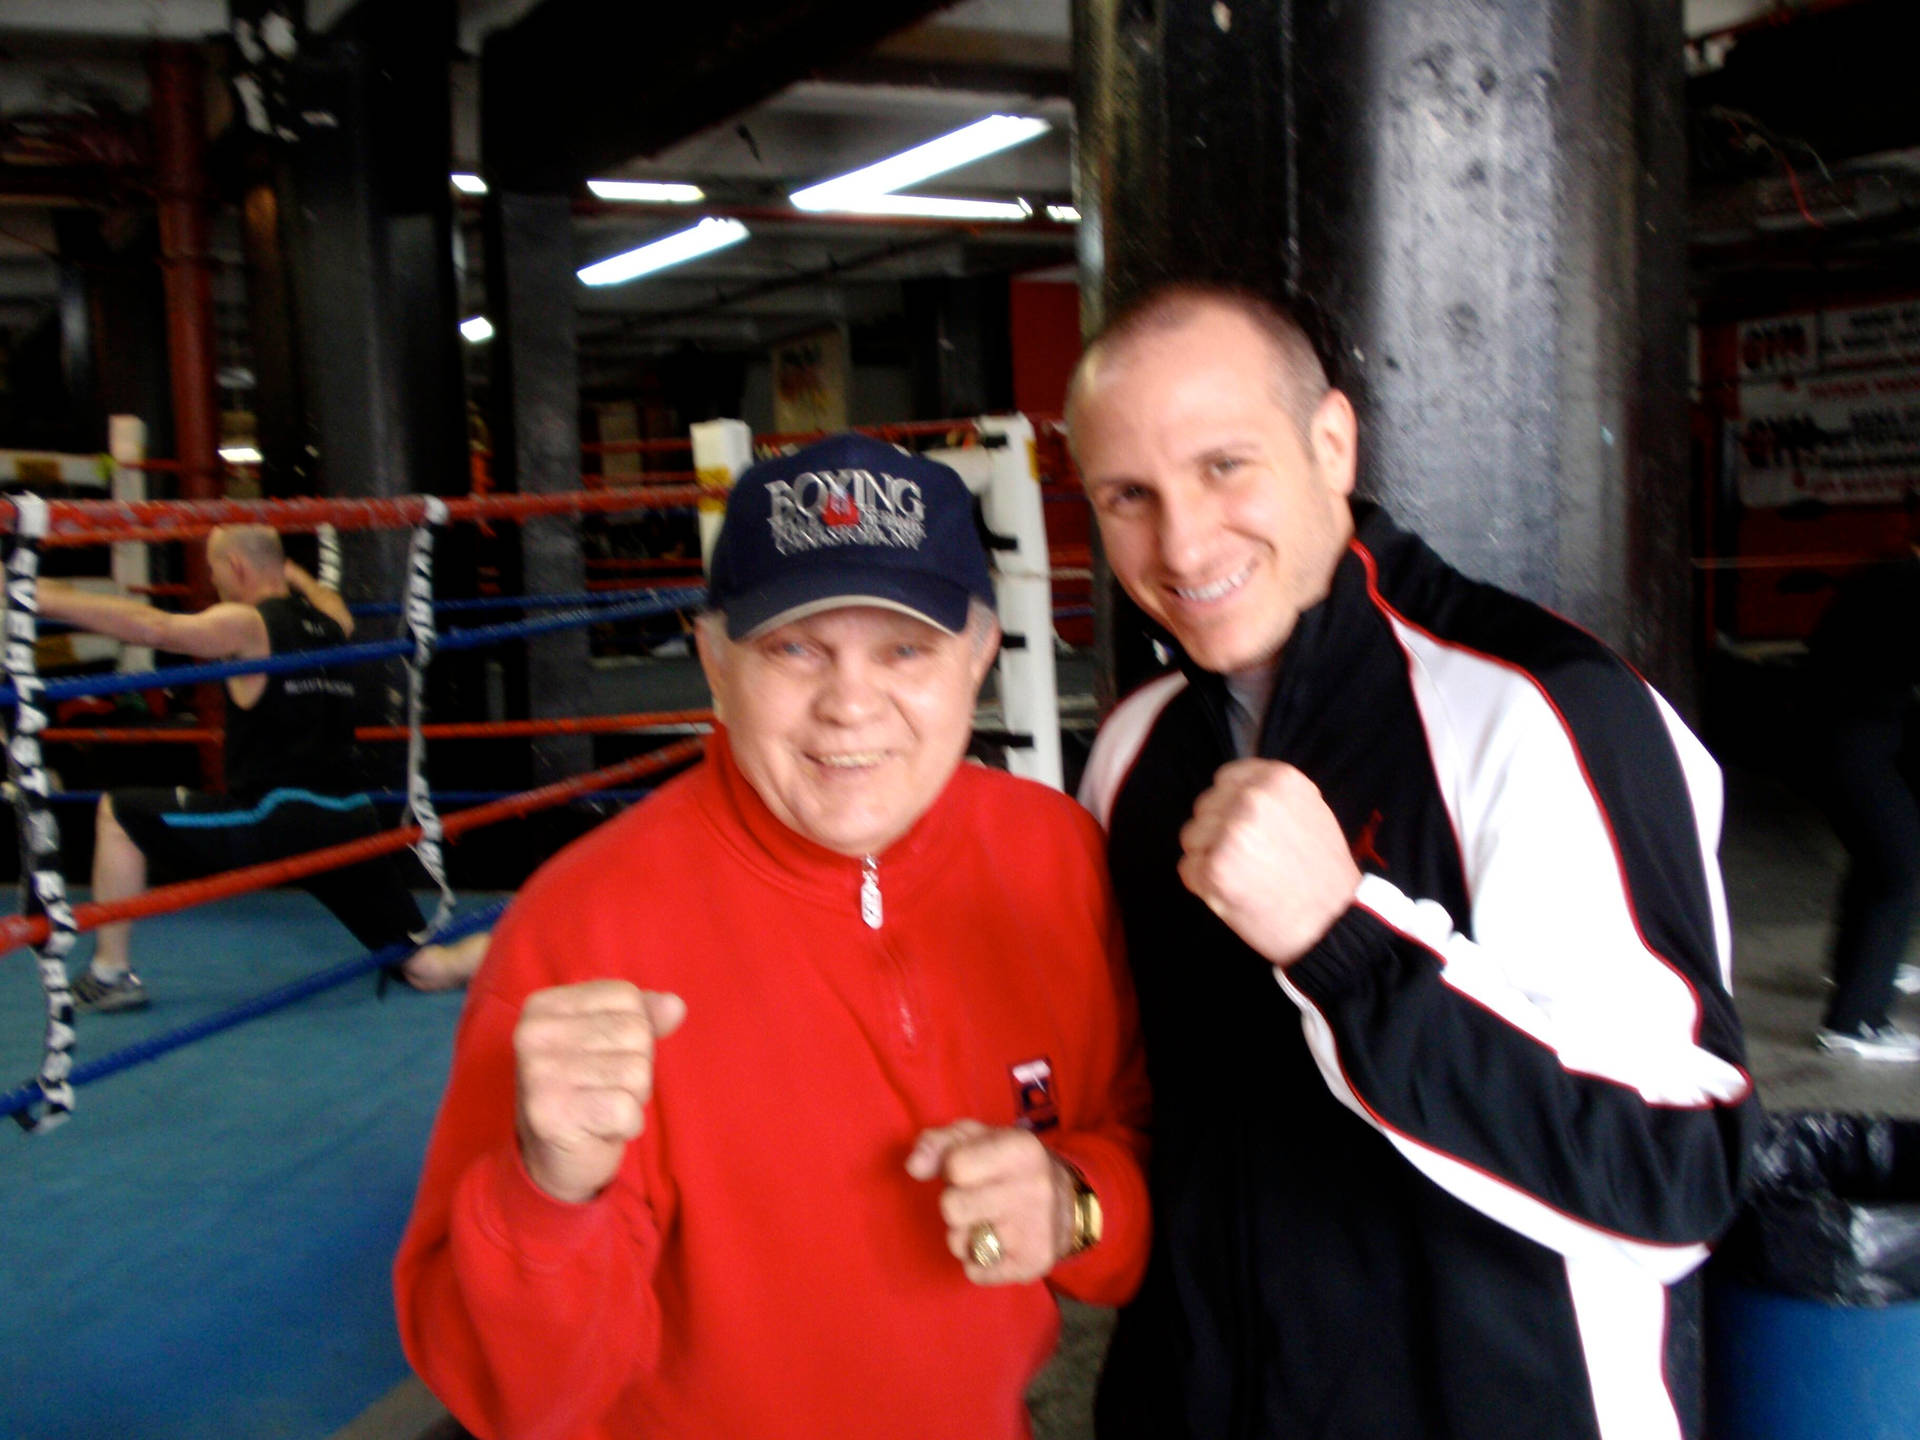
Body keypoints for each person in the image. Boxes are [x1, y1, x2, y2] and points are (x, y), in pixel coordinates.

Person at [1066, 283, 1758, 1440]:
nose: (1181, 542)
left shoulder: (1543, 714)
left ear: (1330, 442)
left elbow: (1676, 1175)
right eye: (1128, 496)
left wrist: (1343, 944)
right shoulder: (1135, 752)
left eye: (1225, 466)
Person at [393, 432, 1149, 1440]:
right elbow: (509, 1399)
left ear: (977, 657)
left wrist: (1075, 1203)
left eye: (905, 649)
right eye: (795, 648)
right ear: (714, 661)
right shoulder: (579, 933)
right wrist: (547, 1193)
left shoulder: (1054, 858)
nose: (848, 703)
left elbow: (1151, 1145)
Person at [36, 524, 488, 1009]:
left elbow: (156, 628)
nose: (213, 581)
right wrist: (292, 572)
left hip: (272, 819)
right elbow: (330, 601)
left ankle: (109, 974)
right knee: (427, 967)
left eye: (214, 569)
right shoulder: (331, 623)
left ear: (235, 567)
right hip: (351, 823)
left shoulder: (248, 624)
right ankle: (535, 944)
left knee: (117, 813)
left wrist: (40, 597)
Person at [1801, 546, 1920, 1060]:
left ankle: (1860, 973)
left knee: (1879, 863)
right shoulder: (1905, 583)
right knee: (1897, 867)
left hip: (1852, 735)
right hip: (1848, 741)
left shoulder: (1893, 572)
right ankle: (1856, 1023)